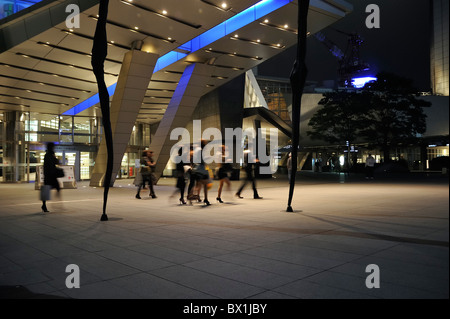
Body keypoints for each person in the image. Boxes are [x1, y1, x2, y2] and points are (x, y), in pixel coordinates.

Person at [41, 142, 61, 212]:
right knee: (50, 189)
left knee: (49, 189)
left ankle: (44, 205)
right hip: (50, 176)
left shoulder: (48, 155)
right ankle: (45, 205)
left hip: (49, 176)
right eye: (53, 147)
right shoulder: (49, 155)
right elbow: (56, 162)